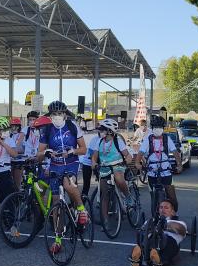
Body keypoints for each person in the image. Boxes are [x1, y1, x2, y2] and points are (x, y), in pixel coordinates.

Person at [37, 100, 89, 254]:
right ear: (50, 116)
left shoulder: (73, 126)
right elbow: (39, 155)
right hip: (55, 166)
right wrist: (46, 153)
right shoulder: (46, 130)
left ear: (65, 114)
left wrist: (72, 151)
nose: (57, 117)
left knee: (68, 184)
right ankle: (58, 239)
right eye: (54, 114)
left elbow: (84, 149)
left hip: (71, 164)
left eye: (59, 114)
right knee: (56, 204)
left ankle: (81, 208)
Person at [129, 199, 187, 266]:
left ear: (173, 211)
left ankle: (156, 260)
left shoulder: (179, 223)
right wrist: (153, 225)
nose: (163, 210)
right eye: (161, 207)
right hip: (150, 242)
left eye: (166, 207)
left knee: (168, 244)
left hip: (168, 242)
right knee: (143, 243)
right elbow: (142, 231)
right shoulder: (151, 221)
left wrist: (164, 225)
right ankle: (139, 258)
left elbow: (181, 229)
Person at [135, 115, 182, 211]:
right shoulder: (148, 139)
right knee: (153, 195)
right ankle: (154, 216)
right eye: (155, 127)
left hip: (166, 171)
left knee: (172, 196)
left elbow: (175, 152)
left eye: (160, 127)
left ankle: (173, 214)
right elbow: (140, 153)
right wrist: (137, 163)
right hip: (152, 171)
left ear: (163, 128)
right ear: (152, 128)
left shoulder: (166, 139)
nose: (158, 129)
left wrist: (179, 164)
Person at [92, 119, 134, 215]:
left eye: (103, 130)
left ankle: (127, 196)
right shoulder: (99, 142)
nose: (100, 131)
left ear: (110, 131)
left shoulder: (118, 141)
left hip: (117, 166)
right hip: (104, 168)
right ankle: (105, 221)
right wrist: (93, 163)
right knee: (104, 193)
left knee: (119, 179)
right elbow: (94, 156)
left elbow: (127, 155)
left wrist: (127, 159)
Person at [79, 125, 103, 197]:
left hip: (99, 163)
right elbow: (92, 155)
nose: (101, 132)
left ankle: (102, 200)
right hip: (88, 162)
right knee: (86, 185)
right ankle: (82, 204)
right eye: (100, 131)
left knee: (102, 184)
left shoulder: (106, 140)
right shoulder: (95, 139)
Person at [9, 117, 26, 187]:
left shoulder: (22, 134)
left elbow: (20, 148)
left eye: (15, 126)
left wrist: (11, 150)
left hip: (19, 161)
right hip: (10, 160)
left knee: (16, 182)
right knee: (10, 182)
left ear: (18, 126)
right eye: (12, 126)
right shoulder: (10, 135)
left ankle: (18, 197)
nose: (13, 128)